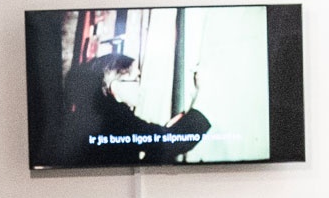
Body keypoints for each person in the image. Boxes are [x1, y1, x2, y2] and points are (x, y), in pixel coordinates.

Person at [57, 53, 212, 167]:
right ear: (116, 86)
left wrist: (165, 132)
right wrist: (203, 91)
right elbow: (172, 144)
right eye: (136, 80)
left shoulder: (97, 117)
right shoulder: (117, 119)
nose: (141, 88)